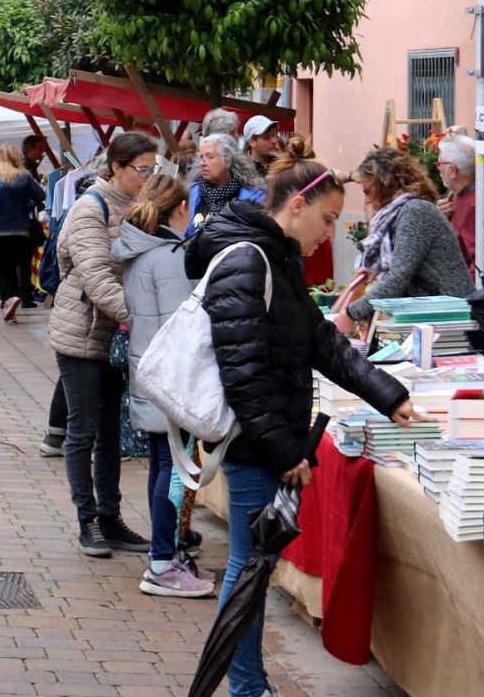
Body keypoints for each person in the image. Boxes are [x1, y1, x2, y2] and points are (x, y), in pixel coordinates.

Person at [186, 141, 417, 697]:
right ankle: (245, 687)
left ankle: (249, 684)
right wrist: (285, 450)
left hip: (264, 440)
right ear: (297, 205)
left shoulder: (276, 255)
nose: (331, 233)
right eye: (329, 218)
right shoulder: (249, 258)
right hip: (251, 444)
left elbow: (318, 341)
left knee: (254, 567)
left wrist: (389, 394)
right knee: (248, 567)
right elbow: (243, 373)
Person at [50, 131, 157, 558]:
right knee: (83, 430)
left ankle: (111, 518)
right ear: (116, 167)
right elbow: (96, 277)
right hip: (82, 333)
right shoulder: (88, 208)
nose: (147, 178)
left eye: (153, 170)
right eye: (141, 170)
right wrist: (143, 321)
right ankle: (87, 520)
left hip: (119, 336)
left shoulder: (141, 207)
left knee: (113, 430)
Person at [108, 174, 213, 598]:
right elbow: (183, 323)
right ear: (180, 209)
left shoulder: (141, 253)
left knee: (162, 466)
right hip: (171, 377)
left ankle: (164, 554)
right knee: (172, 470)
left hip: (149, 372)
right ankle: (162, 561)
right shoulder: (170, 257)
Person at [339, 147, 476, 332]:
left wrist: (352, 313)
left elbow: (398, 276)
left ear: (385, 183)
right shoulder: (405, 211)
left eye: (368, 191)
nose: (368, 200)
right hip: (436, 314)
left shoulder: (415, 212)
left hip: (451, 317)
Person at [0, 145, 45, 323]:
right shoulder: (24, 176)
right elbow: (40, 195)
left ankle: (9, 297)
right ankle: (9, 306)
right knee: (12, 268)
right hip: (21, 230)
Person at [187, 133, 265, 235]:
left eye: (210, 157)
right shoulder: (190, 194)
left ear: (228, 161)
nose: (203, 163)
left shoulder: (255, 196)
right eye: (201, 157)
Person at [437, 134, 478, 269]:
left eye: (439, 163)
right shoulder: (454, 197)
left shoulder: (472, 205)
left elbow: (476, 266)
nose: (438, 168)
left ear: (452, 170)